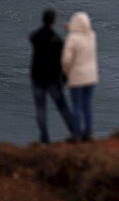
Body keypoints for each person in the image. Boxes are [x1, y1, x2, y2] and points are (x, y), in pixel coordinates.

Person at [29, 8, 78, 144]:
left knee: (40, 109)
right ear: (53, 21)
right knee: (62, 106)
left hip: (37, 77)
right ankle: (75, 132)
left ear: (43, 20)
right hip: (52, 79)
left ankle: (44, 137)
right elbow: (61, 62)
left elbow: (32, 38)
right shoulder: (57, 41)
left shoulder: (36, 36)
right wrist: (64, 78)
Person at [62, 11, 98, 141]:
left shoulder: (72, 38)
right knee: (87, 106)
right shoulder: (92, 35)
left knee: (77, 106)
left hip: (77, 77)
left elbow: (66, 60)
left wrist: (65, 74)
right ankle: (89, 133)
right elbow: (83, 29)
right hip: (91, 77)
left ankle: (76, 134)